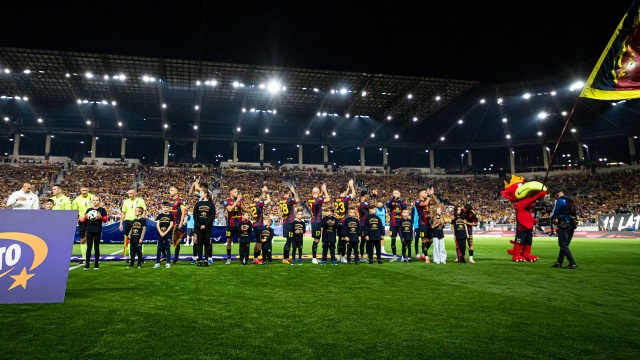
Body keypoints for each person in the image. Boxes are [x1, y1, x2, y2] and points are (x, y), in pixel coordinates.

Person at [550, 191, 578, 269]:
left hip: (564, 224)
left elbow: (555, 212)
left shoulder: (560, 200)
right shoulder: (571, 200)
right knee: (565, 245)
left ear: (556, 195)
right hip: (572, 224)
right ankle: (559, 262)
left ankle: (572, 263)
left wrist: (551, 218)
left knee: (562, 244)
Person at [119, 188, 147, 261]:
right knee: (128, 239)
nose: (129, 195)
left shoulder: (140, 201)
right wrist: (121, 224)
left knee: (139, 239)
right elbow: (123, 213)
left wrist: (142, 220)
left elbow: (144, 210)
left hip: (138, 222)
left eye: (131, 193)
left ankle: (141, 256)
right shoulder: (126, 202)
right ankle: (130, 256)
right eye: (128, 194)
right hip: (128, 221)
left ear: (135, 193)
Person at [82, 196, 107, 270]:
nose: (95, 201)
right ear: (92, 201)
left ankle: (96, 264)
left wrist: (100, 217)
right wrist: (86, 217)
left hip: (97, 230)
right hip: (89, 230)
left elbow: (105, 219)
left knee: (96, 247)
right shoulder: (89, 210)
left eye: (97, 200)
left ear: (99, 201)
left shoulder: (102, 210)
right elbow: (84, 219)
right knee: (89, 247)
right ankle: (87, 264)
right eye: (94, 200)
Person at [193, 182, 215, 267]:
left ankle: (206, 260)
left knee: (207, 242)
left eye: (201, 193)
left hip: (208, 227)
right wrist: (199, 225)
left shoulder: (211, 204)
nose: (200, 194)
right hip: (199, 226)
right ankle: (199, 260)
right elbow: (195, 215)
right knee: (199, 243)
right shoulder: (198, 204)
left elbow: (212, 215)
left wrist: (205, 224)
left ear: (205, 194)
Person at [72, 185, 94, 265]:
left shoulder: (93, 197)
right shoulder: (76, 200)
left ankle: (91, 256)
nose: (84, 192)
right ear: (80, 190)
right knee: (83, 239)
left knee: (92, 239)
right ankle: (84, 258)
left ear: (88, 190)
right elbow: (74, 210)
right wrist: (78, 216)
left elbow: (98, 207)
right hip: (82, 221)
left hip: (92, 220)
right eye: (83, 190)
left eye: (86, 190)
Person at [334, 179, 355, 262]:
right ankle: (343, 256)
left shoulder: (336, 199)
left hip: (337, 220)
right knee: (344, 239)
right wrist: (351, 186)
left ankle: (339, 255)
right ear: (345, 191)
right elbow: (354, 194)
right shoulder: (345, 199)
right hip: (343, 221)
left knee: (339, 239)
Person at [308, 183, 329, 264]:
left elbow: (318, 196)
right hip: (317, 222)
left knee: (317, 239)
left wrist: (321, 191)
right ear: (315, 193)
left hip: (315, 221)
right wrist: (325, 191)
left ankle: (315, 257)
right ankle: (313, 258)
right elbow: (328, 199)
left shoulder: (312, 199)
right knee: (316, 240)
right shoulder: (318, 201)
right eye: (318, 192)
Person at [250, 185, 271, 264]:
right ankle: (256, 258)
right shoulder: (259, 203)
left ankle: (256, 258)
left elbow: (262, 199)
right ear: (259, 197)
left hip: (255, 225)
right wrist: (266, 192)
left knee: (257, 242)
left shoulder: (253, 203)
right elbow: (268, 200)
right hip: (259, 226)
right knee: (259, 243)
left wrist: (263, 192)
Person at [223, 186, 244, 265]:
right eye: (235, 192)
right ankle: (229, 258)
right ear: (231, 192)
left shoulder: (239, 201)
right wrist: (237, 201)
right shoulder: (227, 201)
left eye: (237, 192)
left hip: (239, 224)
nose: (237, 193)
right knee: (229, 240)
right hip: (230, 225)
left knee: (240, 241)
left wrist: (240, 202)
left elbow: (244, 209)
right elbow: (230, 209)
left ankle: (242, 258)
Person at [386, 189, 407, 261]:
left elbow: (404, 207)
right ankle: (394, 256)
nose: (395, 194)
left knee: (403, 240)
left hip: (401, 225)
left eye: (397, 193)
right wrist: (393, 198)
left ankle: (403, 257)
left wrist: (399, 200)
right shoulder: (391, 202)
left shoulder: (403, 201)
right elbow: (388, 205)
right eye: (394, 193)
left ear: (399, 194)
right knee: (393, 240)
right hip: (393, 224)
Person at [280, 186, 299, 264]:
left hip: (285, 222)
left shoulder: (281, 201)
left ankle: (287, 257)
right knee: (289, 241)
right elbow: (297, 200)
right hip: (289, 223)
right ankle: (284, 258)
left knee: (289, 240)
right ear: (288, 193)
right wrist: (294, 192)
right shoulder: (289, 200)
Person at [169, 185, 187, 265]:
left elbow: (183, 212)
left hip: (177, 224)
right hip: (169, 224)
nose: (170, 191)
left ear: (176, 192)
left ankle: (176, 259)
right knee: (166, 241)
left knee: (176, 242)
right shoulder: (170, 201)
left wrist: (180, 223)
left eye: (171, 190)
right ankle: (166, 257)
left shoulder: (180, 201)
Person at [154, 201, 174, 269]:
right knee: (159, 248)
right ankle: (157, 263)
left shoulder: (171, 215)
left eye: (166, 207)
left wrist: (165, 233)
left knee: (167, 248)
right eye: (164, 207)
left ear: (169, 208)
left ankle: (168, 263)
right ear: (161, 208)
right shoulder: (159, 215)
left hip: (168, 234)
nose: (165, 208)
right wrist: (160, 232)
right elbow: (157, 225)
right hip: (160, 234)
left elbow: (171, 225)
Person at [357, 189, 373, 262]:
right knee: (364, 241)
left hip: (364, 224)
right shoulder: (363, 204)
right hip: (363, 224)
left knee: (366, 241)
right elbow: (372, 206)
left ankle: (364, 256)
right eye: (367, 195)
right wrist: (374, 196)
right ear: (365, 195)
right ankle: (363, 257)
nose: (368, 197)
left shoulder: (360, 203)